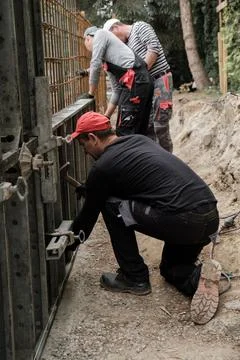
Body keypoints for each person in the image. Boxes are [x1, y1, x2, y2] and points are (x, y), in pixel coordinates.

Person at [69, 111, 221, 325]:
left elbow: (88, 217)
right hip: (209, 216)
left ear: (93, 138)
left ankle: (134, 277)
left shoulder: (102, 167)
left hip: (184, 221)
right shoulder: (138, 140)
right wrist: (94, 189)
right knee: (171, 270)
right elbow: (139, 182)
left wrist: (68, 245)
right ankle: (201, 280)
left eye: (83, 145)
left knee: (111, 206)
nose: (85, 152)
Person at [103, 19, 173, 152]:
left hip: (160, 80)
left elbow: (153, 49)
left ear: (115, 28)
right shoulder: (126, 46)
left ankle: (168, 159)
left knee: (160, 123)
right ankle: (154, 161)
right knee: (148, 125)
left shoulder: (140, 27)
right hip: (145, 86)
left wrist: (141, 76)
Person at [83, 26, 154, 136]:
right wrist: (106, 117)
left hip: (137, 81)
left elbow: (95, 64)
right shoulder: (110, 60)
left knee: (125, 131)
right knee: (139, 130)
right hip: (143, 82)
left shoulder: (100, 34)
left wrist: (90, 94)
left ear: (88, 38)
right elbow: (116, 90)